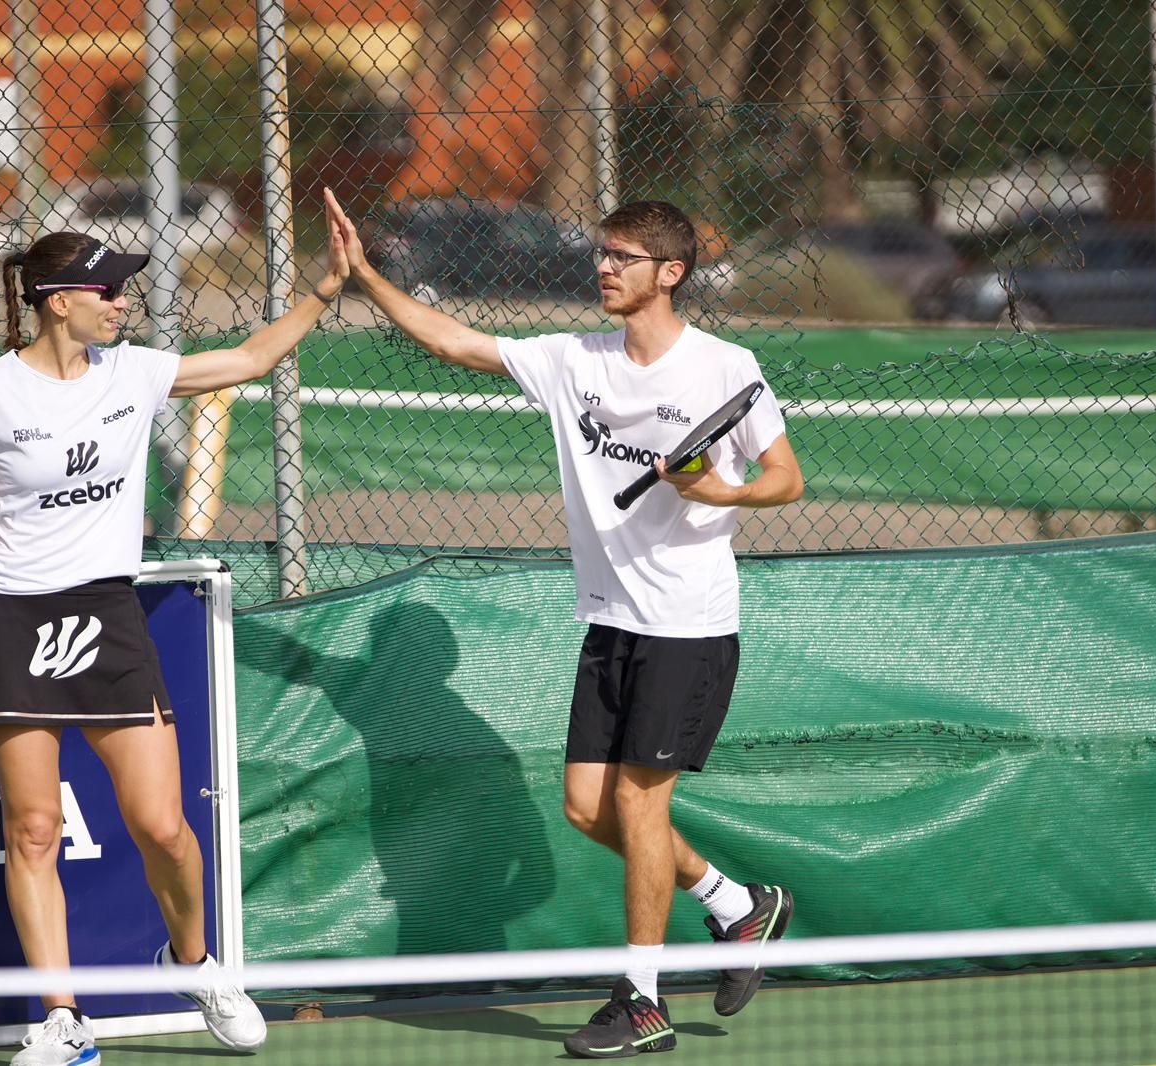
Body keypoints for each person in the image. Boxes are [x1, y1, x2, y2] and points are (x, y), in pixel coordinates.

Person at [324, 189, 804, 1058]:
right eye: (602, 253)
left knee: (639, 804)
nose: (603, 268)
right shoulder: (573, 359)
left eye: (622, 258)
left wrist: (719, 489)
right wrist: (364, 275)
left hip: (687, 625)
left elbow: (786, 478)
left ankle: (642, 1001)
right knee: (588, 808)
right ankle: (737, 906)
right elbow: (454, 341)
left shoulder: (725, 367)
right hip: (613, 621)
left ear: (671, 272)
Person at [0, 202, 348, 1066]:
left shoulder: (133, 372)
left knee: (164, 827)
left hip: (108, 617)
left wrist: (323, 290)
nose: (123, 302)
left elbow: (249, 358)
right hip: (12, 620)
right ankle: (64, 1021)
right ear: (58, 300)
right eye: (109, 290)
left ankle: (195, 964)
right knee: (33, 829)